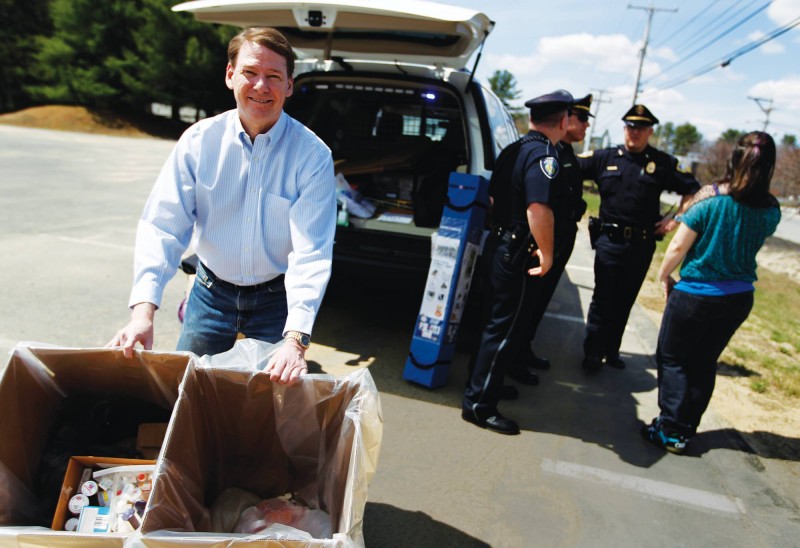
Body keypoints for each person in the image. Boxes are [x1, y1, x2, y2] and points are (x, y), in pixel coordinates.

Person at [107, 27, 336, 385]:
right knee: (187, 391)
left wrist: (296, 339)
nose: (261, 86)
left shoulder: (313, 157)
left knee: (269, 405)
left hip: (277, 300)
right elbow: (163, 227)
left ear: (290, 85)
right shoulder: (198, 142)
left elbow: (312, 252)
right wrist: (142, 313)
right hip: (209, 295)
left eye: (274, 76)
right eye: (250, 72)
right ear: (230, 76)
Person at [642, 131, 781, 454]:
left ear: (734, 159)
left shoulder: (710, 199)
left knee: (673, 358)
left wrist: (664, 276)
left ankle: (671, 430)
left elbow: (678, 245)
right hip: (739, 296)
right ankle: (687, 426)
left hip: (697, 294)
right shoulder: (771, 209)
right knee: (704, 361)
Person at [462, 90, 574, 435]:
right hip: (517, 249)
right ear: (564, 121)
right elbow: (538, 209)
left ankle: (483, 385)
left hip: (498, 243)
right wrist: (549, 253)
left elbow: (495, 197)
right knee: (504, 329)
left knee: (492, 324)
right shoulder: (544, 156)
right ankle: (480, 405)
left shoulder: (514, 149)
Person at [578, 104, 700, 373]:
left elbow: (692, 189)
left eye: (641, 128)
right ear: (624, 129)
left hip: (641, 244)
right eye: (631, 127)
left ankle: (611, 350)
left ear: (650, 132)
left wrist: (676, 218)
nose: (635, 132)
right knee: (603, 298)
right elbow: (570, 169)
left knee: (625, 298)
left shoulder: (662, 163)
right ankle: (593, 352)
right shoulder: (604, 157)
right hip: (609, 241)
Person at [511, 94, 592, 376]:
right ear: (564, 119)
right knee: (527, 303)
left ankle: (524, 348)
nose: (584, 125)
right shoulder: (549, 153)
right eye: (580, 118)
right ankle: (515, 356)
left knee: (539, 301)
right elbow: (541, 205)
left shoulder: (566, 153)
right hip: (542, 239)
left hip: (563, 236)